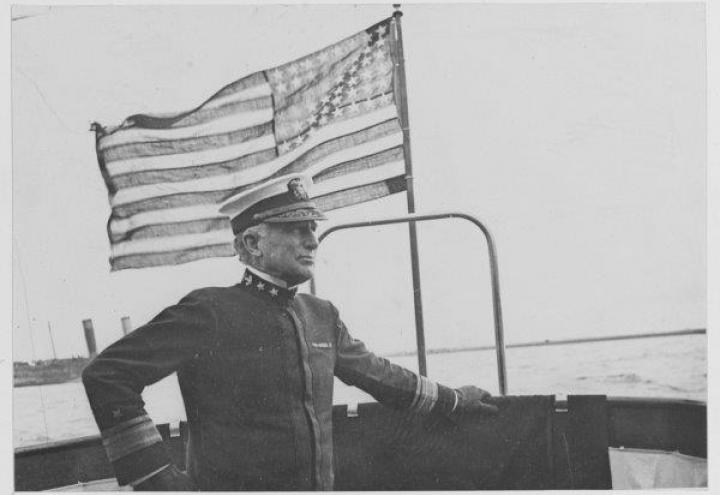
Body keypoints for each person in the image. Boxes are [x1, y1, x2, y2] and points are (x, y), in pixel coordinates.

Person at [82, 173, 498, 491]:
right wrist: (155, 478)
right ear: (253, 242)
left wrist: (456, 401)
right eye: (297, 229)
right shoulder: (209, 311)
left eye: (313, 228)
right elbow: (107, 375)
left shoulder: (321, 315)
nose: (313, 240)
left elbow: (382, 377)